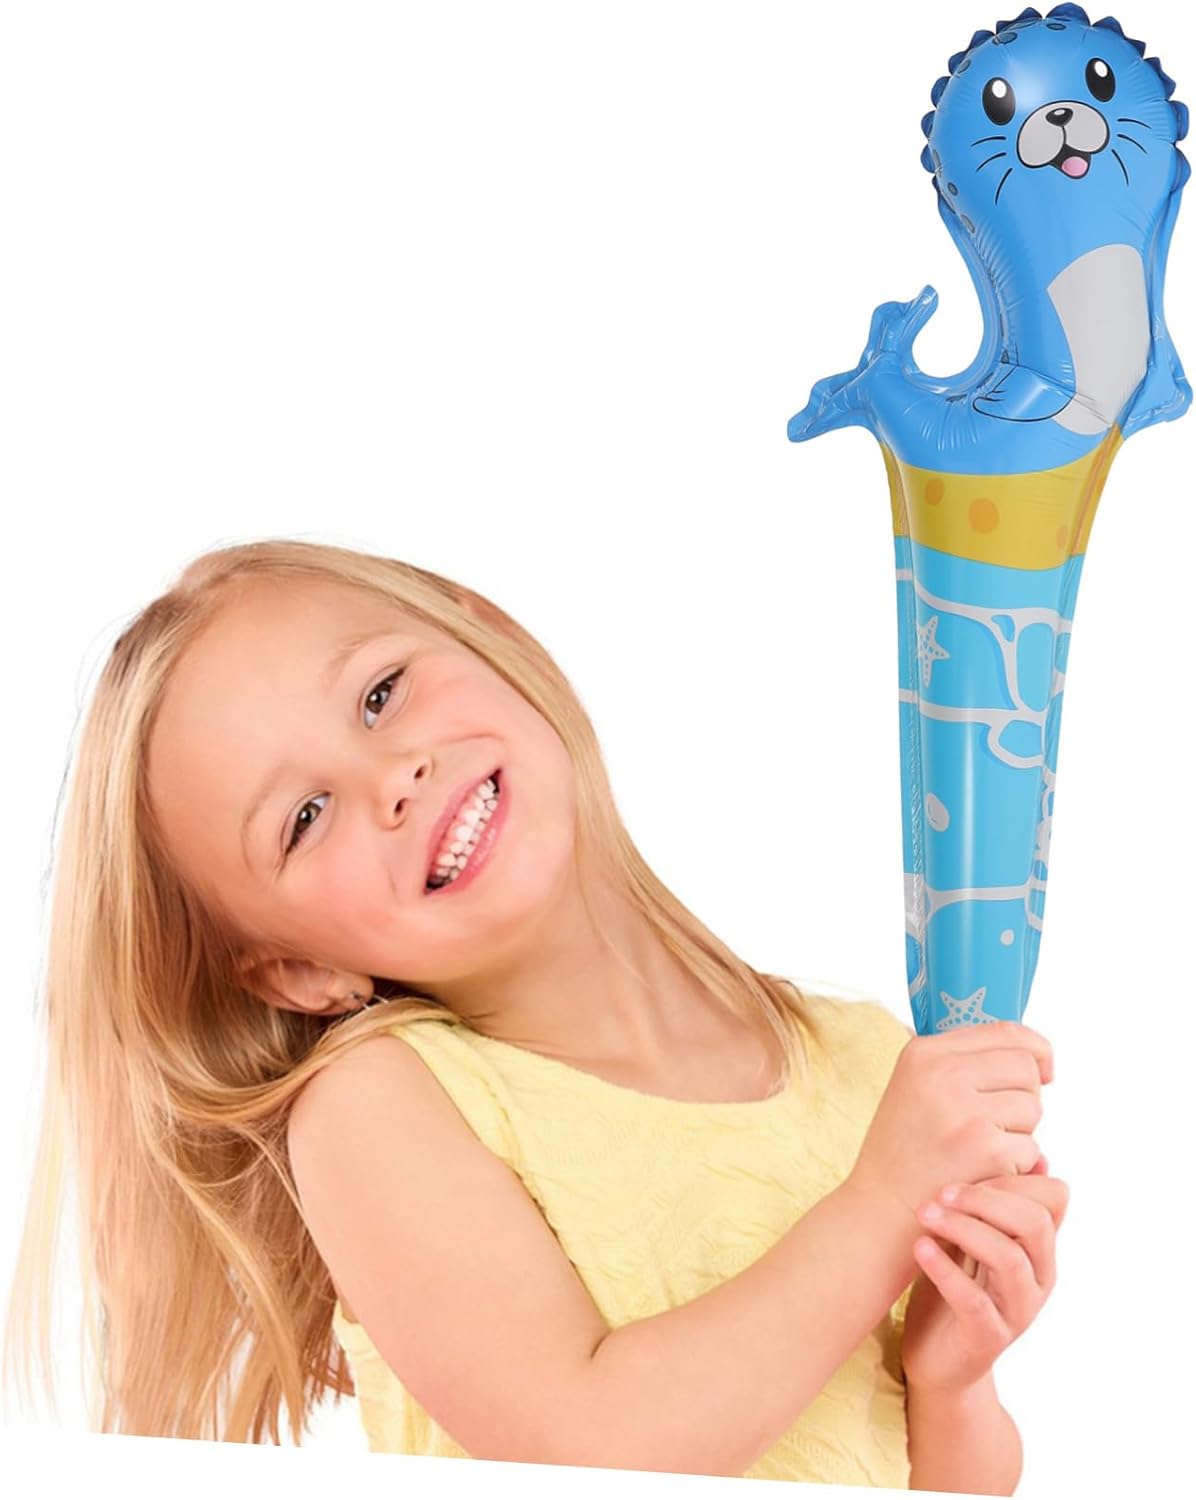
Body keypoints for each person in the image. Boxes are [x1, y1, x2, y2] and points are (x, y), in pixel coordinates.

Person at [1, 536, 1065, 1487]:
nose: (394, 777)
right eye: (307, 817)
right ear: (299, 972)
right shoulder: (379, 1108)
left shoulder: (865, 1063)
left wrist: (949, 1385)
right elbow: (586, 1447)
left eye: (380, 695)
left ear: (494, 633)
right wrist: (879, 1205)